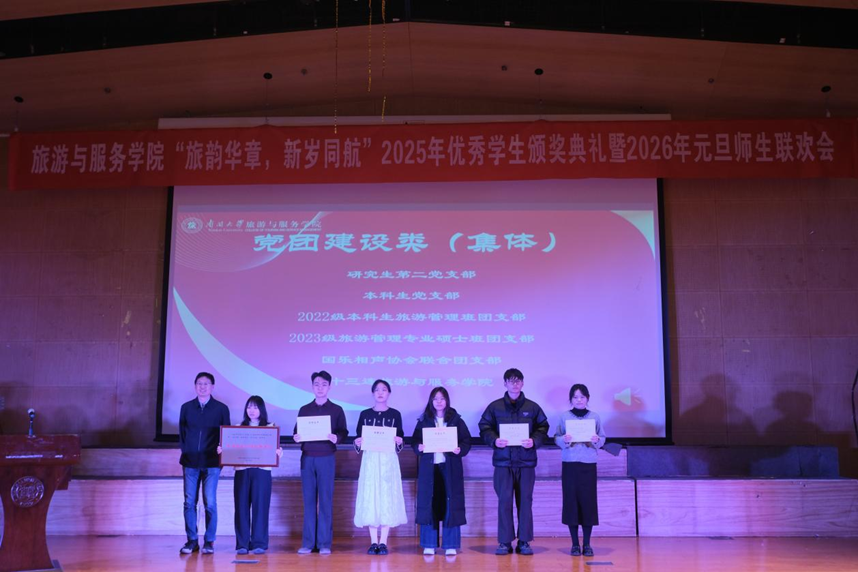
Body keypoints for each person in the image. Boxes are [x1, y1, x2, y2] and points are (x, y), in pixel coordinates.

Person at [478, 368, 549, 556]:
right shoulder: (494, 407)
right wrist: (494, 440)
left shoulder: (532, 407)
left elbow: (543, 427)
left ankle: (524, 541)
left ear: (523, 383)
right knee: (504, 502)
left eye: (518, 381)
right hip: (503, 463)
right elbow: (484, 427)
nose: (514, 384)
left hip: (526, 463)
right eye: (511, 381)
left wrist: (534, 440)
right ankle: (504, 542)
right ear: (505, 384)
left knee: (525, 502)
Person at [218, 395, 283, 555]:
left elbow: (275, 450)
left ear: (261, 409)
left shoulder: (270, 428)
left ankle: (259, 543)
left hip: (262, 472)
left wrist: (278, 453)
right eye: (249, 407)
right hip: (242, 471)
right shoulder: (237, 428)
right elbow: (230, 449)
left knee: (261, 507)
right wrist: (223, 450)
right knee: (241, 507)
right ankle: (242, 544)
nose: (251, 410)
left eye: (255, 407)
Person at [411, 387, 472, 556]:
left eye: (442, 398)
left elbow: (466, 441)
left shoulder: (456, 420)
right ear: (431, 401)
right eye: (435, 398)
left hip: (449, 468)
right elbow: (414, 442)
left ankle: (450, 544)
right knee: (429, 503)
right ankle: (429, 544)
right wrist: (418, 447)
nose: (439, 402)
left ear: (447, 401)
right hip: (429, 468)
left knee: (450, 504)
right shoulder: (424, 420)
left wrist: (460, 449)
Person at [293, 371, 348, 555]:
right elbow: (296, 432)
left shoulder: (337, 409)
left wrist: (337, 437)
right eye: (316, 384)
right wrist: (296, 437)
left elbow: (343, 432)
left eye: (324, 384)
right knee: (308, 501)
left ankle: (324, 543)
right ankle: (308, 543)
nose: (320, 388)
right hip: (308, 458)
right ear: (312, 387)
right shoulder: (304, 409)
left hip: (326, 458)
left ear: (329, 387)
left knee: (325, 500)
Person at [353, 380, 408, 555]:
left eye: (384, 389)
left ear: (389, 393)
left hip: (388, 460)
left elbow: (400, 438)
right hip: (370, 459)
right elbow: (358, 437)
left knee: (386, 496)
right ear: (372, 393)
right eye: (377, 390)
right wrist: (358, 442)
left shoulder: (395, 414)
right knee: (371, 495)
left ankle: (383, 541)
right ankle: (372, 542)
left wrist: (399, 441)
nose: (380, 393)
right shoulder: (365, 414)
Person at [179, 371, 231, 555]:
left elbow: (226, 435)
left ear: (212, 387)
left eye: (206, 384)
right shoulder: (186, 407)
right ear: (195, 386)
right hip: (190, 462)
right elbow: (182, 434)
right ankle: (192, 540)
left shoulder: (221, 408)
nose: (202, 386)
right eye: (199, 383)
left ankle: (209, 541)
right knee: (189, 502)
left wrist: (221, 457)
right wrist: (186, 451)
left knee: (210, 503)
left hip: (212, 463)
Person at [555, 383, 606, 557]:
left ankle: (587, 544)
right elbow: (556, 437)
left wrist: (597, 440)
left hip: (588, 464)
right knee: (571, 502)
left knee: (588, 503)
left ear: (587, 398)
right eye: (575, 397)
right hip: (570, 464)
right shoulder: (564, 417)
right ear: (571, 399)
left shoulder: (594, 417)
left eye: (582, 397)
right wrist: (564, 440)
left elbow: (602, 438)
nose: (579, 400)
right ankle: (575, 544)